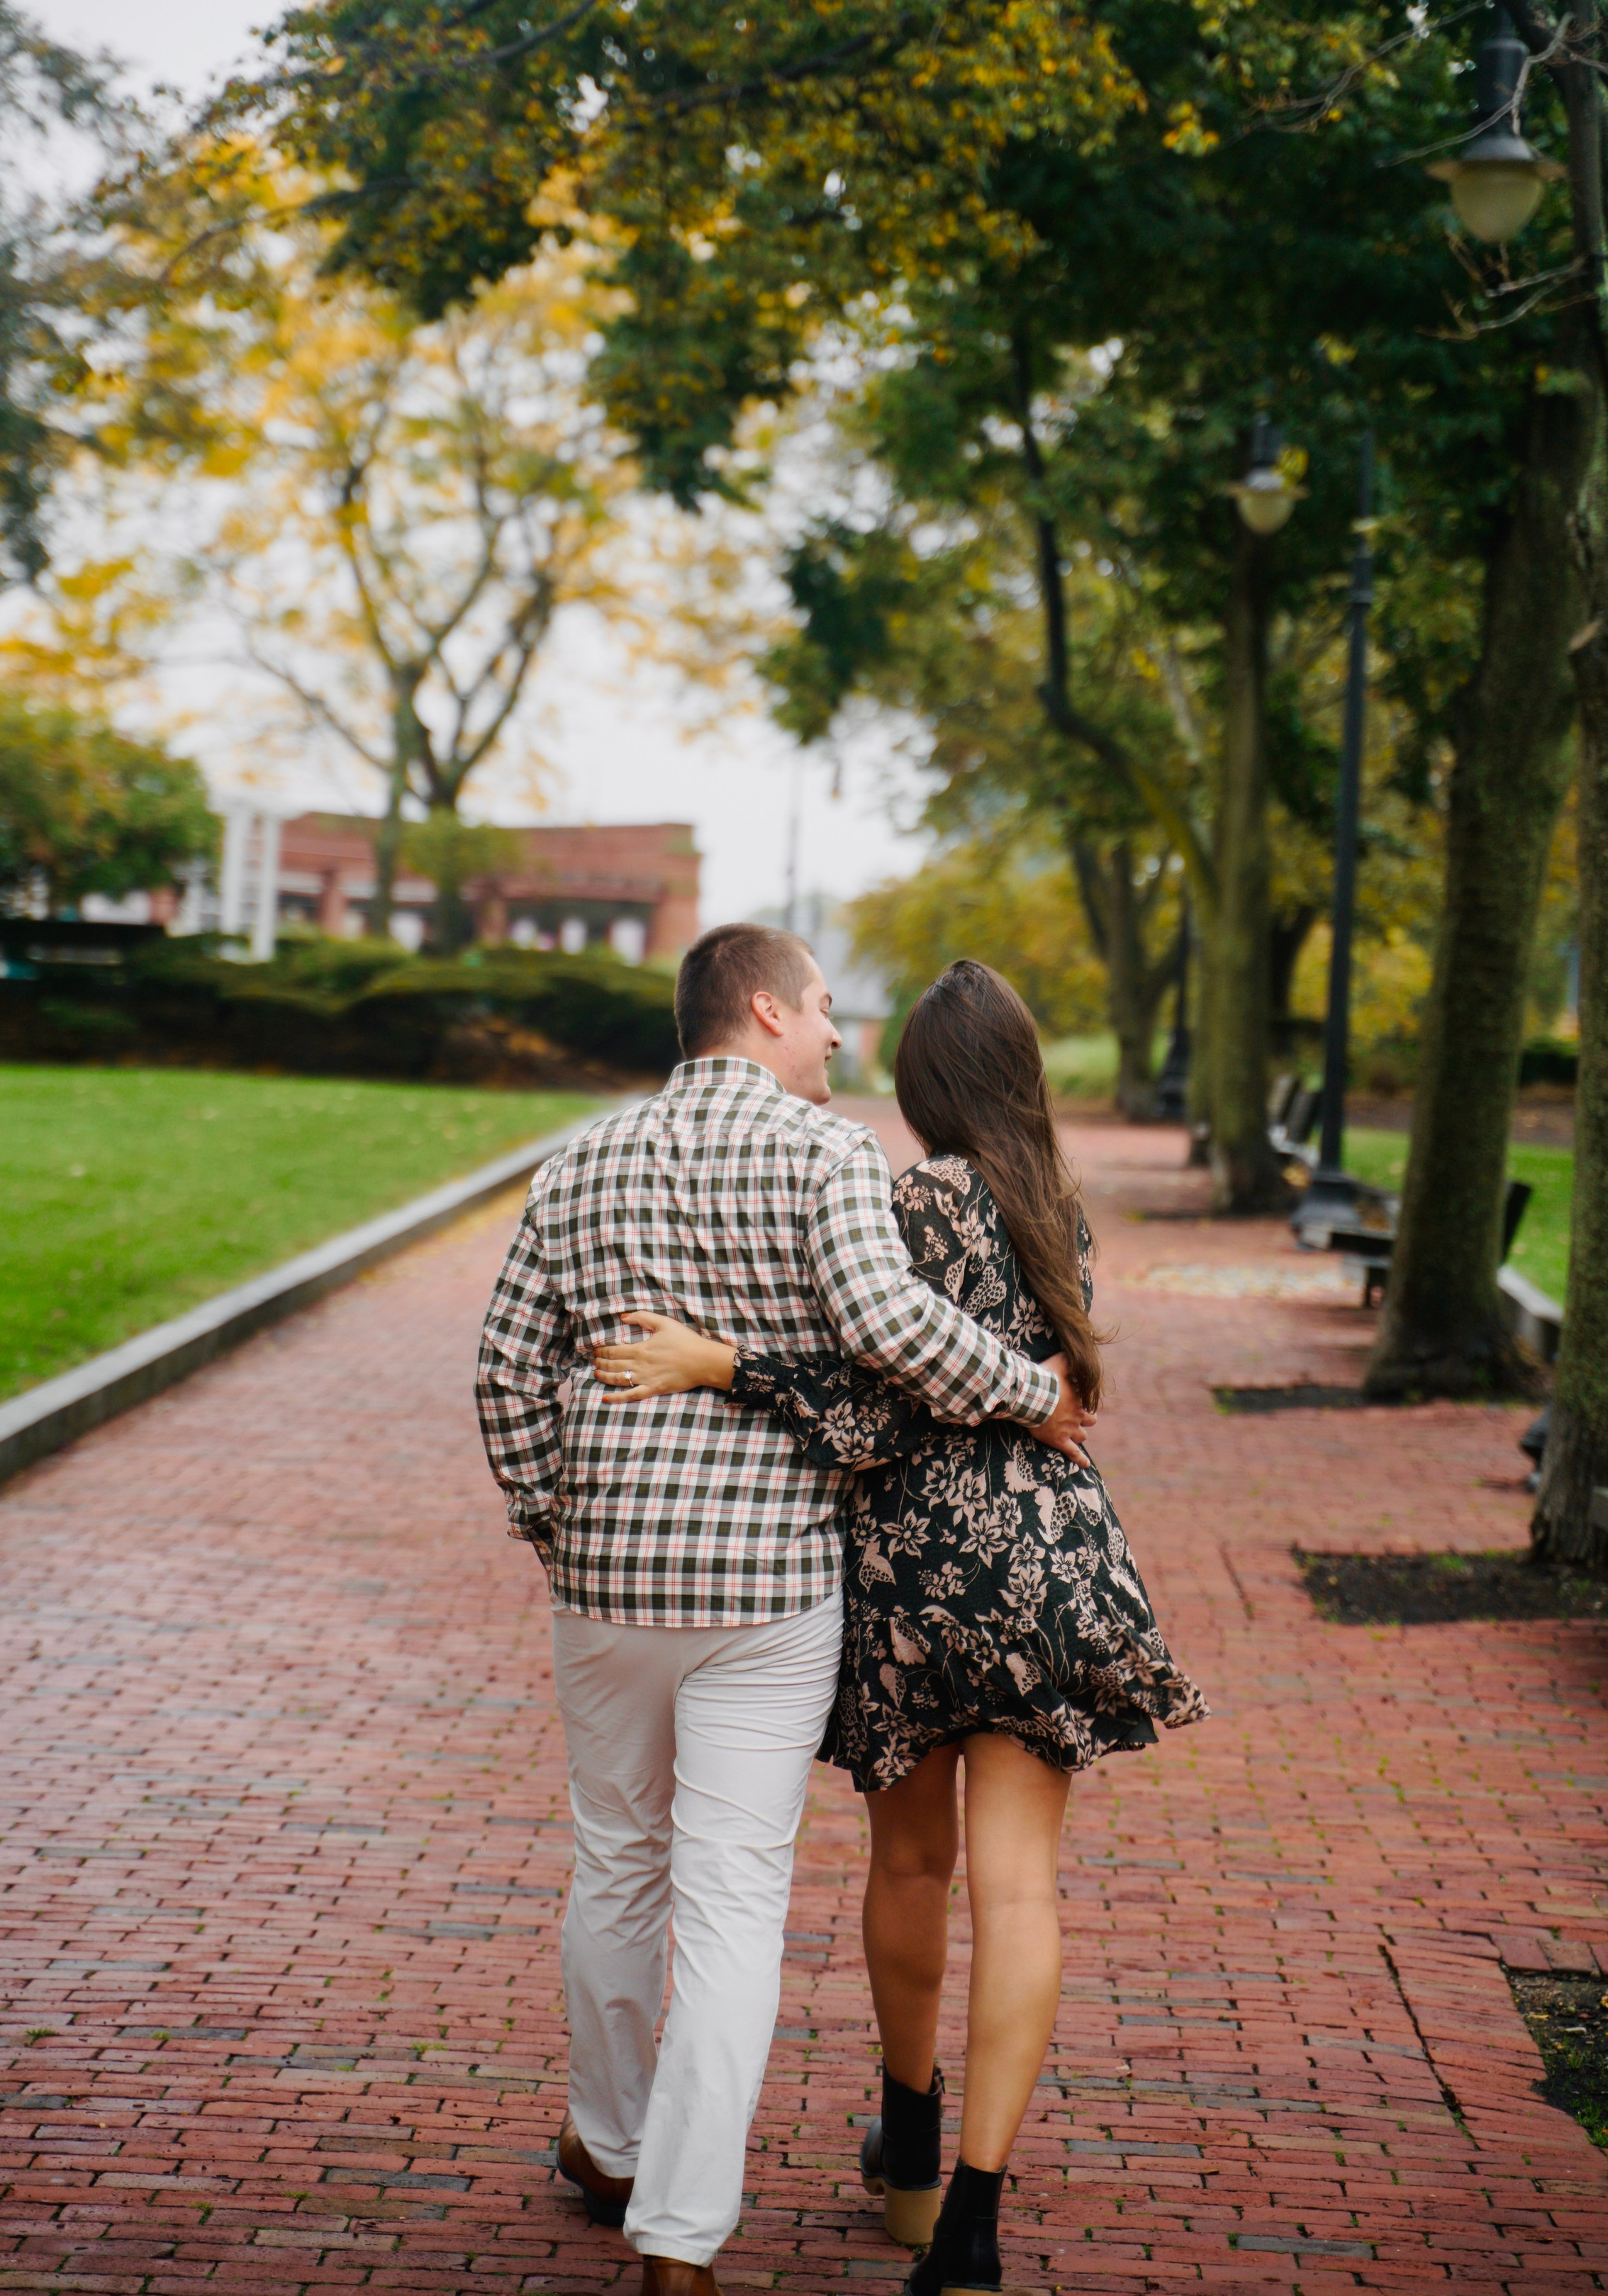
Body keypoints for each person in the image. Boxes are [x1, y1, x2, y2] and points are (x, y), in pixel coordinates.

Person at [474, 926, 1093, 2296]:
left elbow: (507, 1370)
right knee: (738, 1902)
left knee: (617, 1860)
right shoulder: (827, 1159)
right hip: (769, 1585)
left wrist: (553, 1516)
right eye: (821, 1007)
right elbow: (890, 1329)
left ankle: (611, 2142)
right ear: (762, 1006)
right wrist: (1032, 1386)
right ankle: (681, 2238)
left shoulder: (577, 1158)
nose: (834, 1033)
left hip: (610, 1580)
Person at [592, 958, 1207, 2296]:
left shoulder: (911, 1190)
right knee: (1022, 1891)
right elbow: (1025, 1384)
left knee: (913, 1869)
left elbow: (882, 1404)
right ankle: (973, 2219)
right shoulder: (1060, 1207)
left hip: (925, 1580)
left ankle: (912, 2151)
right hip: (1054, 1561)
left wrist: (724, 1362)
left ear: (925, 1085)